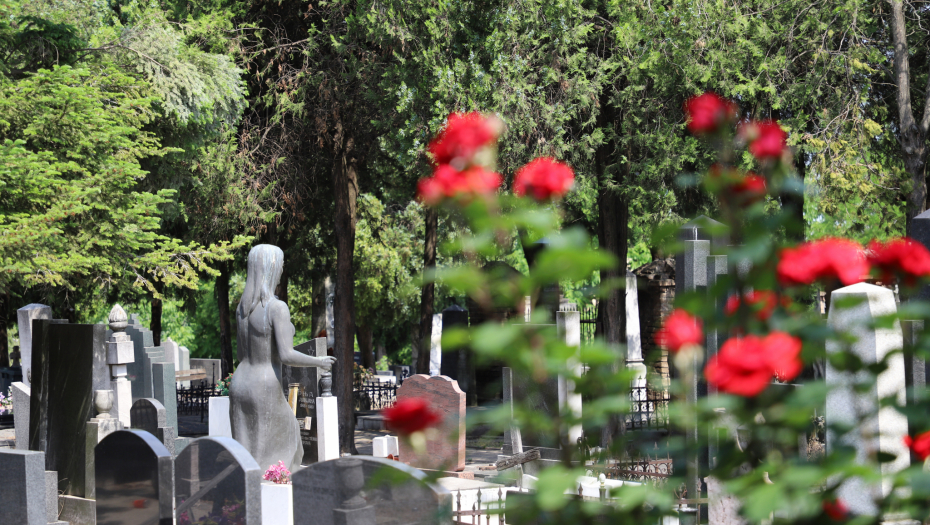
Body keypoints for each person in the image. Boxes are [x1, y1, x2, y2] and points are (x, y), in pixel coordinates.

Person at [230, 244, 337, 471]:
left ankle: (242, 497)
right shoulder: (276, 308)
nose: (281, 270)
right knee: (285, 442)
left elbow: (240, 353)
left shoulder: (242, 309)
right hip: (263, 385)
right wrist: (319, 362)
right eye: (279, 265)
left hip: (240, 383)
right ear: (270, 268)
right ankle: (268, 495)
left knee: (247, 451)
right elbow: (286, 354)